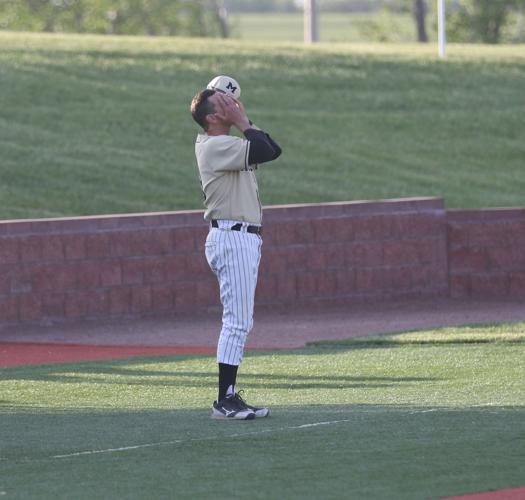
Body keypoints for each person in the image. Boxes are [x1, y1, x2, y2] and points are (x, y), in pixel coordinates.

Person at [190, 87, 282, 420]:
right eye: (225, 104)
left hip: (239, 237)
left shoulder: (224, 144)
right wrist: (243, 120)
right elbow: (264, 150)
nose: (233, 105)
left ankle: (229, 397)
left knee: (239, 321)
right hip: (232, 237)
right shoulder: (215, 146)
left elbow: (273, 148)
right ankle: (224, 401)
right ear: (213, 118)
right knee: (237, 322)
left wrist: (243, 118)